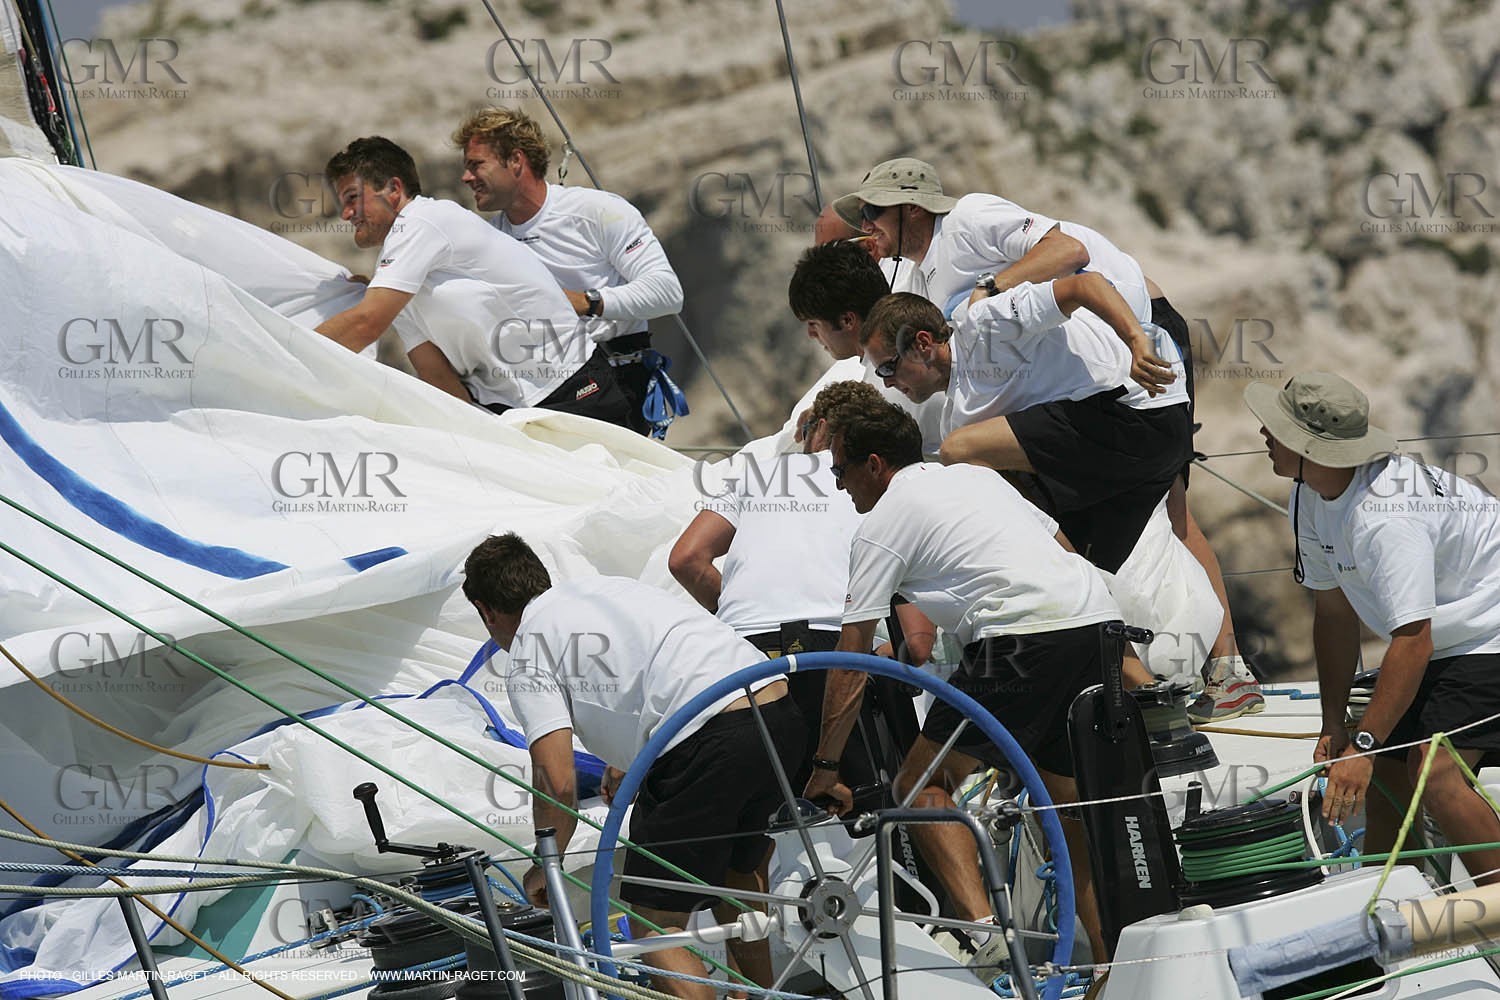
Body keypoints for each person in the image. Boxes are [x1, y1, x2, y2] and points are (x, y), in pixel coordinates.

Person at [835, 156, 1262, 720]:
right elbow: (902, 362)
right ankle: (1130, 682)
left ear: (911, 206)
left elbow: (1072, 258)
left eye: (871, 213)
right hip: (1080, 397)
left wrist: (994, 290)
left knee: (1169, 508)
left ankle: (1229, 670)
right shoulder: (922, 286)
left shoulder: (966, 225)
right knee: (1069, 546)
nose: (865, 225)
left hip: (1134, 358)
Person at [802, 394, 1132, 967]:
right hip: (1093, 623)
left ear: (875, 464)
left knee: (918, 788)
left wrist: (826, 767)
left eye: (840, 471)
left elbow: (851, 658)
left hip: (1020, 641)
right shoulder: (978, 479)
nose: (838, 487)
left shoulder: (882, 523)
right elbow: (1064, 551)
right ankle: (1112, 966)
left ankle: (985, 933)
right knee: (1067, 812)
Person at [463, 533, 803, 998]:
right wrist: (627, 757)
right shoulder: (606, 590)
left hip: (706, 738)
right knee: (735, 882)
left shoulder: (527, 650)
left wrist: (548, 864)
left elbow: (557, 782)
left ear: (486, 611)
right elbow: (656, 667)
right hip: (778, 713)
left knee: (652, 923)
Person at [1246, 372, 1500, 884]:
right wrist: (1334, 724)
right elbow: (1335, 615)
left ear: (1309, 448)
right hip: (1451, 636)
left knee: (1436, 772)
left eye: (1276, 429)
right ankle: (1394, 919)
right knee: (1385, 772)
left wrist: (1361, 747)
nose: (1263, 435)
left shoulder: (1385, 517)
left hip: (1487, 632)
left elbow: (1413, 640)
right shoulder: (1309, 494)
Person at [668, 379, 934, 789]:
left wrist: (744, 610)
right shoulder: (876, 486)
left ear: (821, 427)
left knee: (765, 807)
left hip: (745, 654)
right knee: (872, 810)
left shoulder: (757, 473)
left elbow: (686, 558)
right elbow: (916, 640)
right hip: (838, 649)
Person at [861, 282, 1185, 578]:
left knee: (956, 451)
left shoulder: (984, 325)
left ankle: (1070, 571)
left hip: (1140, 409)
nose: (887, 381)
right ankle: (1080, 583)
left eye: (889, 367)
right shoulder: (957, 417)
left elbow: (1084, 286)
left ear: (922, 344)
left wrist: (1137, 342)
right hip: (1129, 455)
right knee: (1093, 584)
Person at [316, 136, 639, 424]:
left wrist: (280, 350)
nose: (345, 214)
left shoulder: (423, 222)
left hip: (576, 392)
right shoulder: (398, 276)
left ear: (394, 190)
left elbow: (365, 323)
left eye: (352, 198)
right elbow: (435, 373)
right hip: (511, 414)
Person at [454, 107, 684, 435]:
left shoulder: (597, 212)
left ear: (516, 161)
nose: (466, 178)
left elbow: (667, 293)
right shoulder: (487, 241)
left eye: (476, 164)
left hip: (614, 389)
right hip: (537, 394)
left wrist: (582, 302)